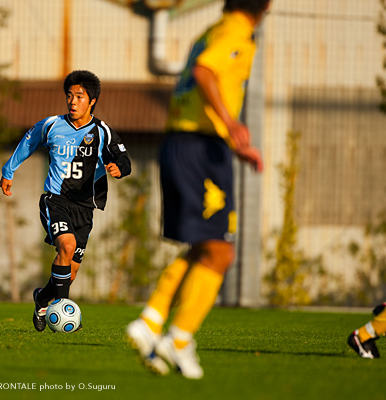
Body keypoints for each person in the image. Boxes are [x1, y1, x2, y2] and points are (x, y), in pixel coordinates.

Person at [126, 0, 269, 379]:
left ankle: (154, 322)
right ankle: (177, 337)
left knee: (206, 247)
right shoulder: (236, 33)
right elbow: (206, 71)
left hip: (184, 144)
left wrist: (230, 139)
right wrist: (232, 124)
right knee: (221, 250)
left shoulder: (210, 30)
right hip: (200, 149)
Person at [0, 70, 131, 332]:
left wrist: (119, 168)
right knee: (66, 245)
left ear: (92, 100)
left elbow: (124, 159)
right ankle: (66, 309)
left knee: (69, 272)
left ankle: (42, 298)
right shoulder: (50, 125)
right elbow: (27, 144)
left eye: (79, 96)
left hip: (85, 209)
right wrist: (8, 171)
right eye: (69, 96)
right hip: (55, 200)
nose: (72, 101)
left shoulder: (102, 131)